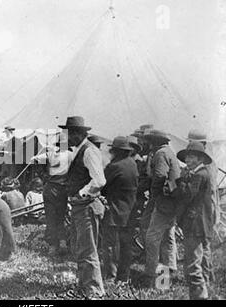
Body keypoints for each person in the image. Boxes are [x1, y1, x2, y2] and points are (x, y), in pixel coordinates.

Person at [59, 116, 106, 297]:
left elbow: (99, 180)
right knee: (81, 247)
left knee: (88, 249)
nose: (67, 138)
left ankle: (94, 290)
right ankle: (85, 285)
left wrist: (82, 193)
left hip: (87, 206)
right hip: (81, 207)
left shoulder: (88, 151)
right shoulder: (80, 150)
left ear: (78, 134)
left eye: (69, 134)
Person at [173, 141, 215, 299]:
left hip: (194, 224)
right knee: (197, 260)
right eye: (187, 157)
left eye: (191, 157)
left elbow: (187, 196)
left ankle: (200, 295)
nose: (187, 161)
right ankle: (201, 293)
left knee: (192, 265)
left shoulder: (198, 175)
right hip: (199, 224)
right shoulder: (201, 173)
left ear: (199, 159)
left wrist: (179, 182)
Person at [142, 129, 180, 286]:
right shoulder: (170, 152)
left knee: (152, 239)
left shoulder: (160, 154)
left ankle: (151, 277)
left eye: (148, 141)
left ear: (153, 142)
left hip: (163, 203)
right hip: (172, 203)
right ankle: (166, 279)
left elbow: (159, 176)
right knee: (167, 238)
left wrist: (153, 197)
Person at [101, 136, 138, 283]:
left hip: (114, 210)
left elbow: (103, 185)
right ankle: (123, 276)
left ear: (115, 150)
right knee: (125, 245)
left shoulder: (114, 166)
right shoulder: (132, 164)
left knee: (109, 245)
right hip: (130, 211)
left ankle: (110, 276)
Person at [31, 134, 70, 256]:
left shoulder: (51, 153)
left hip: (50, 187)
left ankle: (53, 246)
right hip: (63, 188)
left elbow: (33, 159)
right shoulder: (70, 155)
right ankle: (63, 242)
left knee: (51, 217)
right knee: (61, 216)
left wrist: (43, 172)